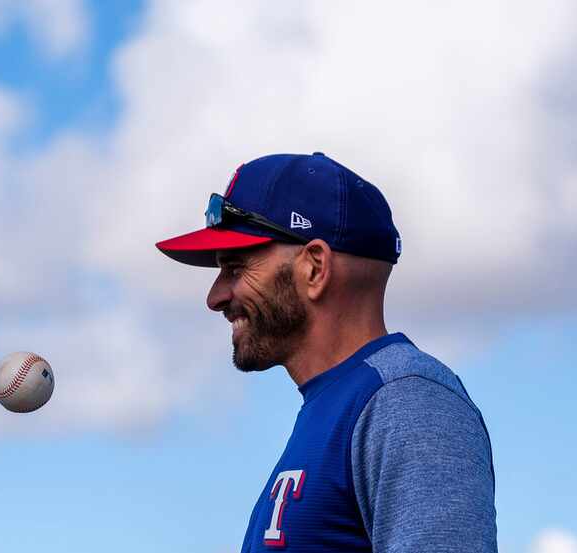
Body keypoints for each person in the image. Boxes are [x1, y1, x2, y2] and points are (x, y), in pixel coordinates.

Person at [156, 152, 497, 552]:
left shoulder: (408, 401)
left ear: (315, 267)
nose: (215, 297)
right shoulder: (341, 406)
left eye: (235, 268)